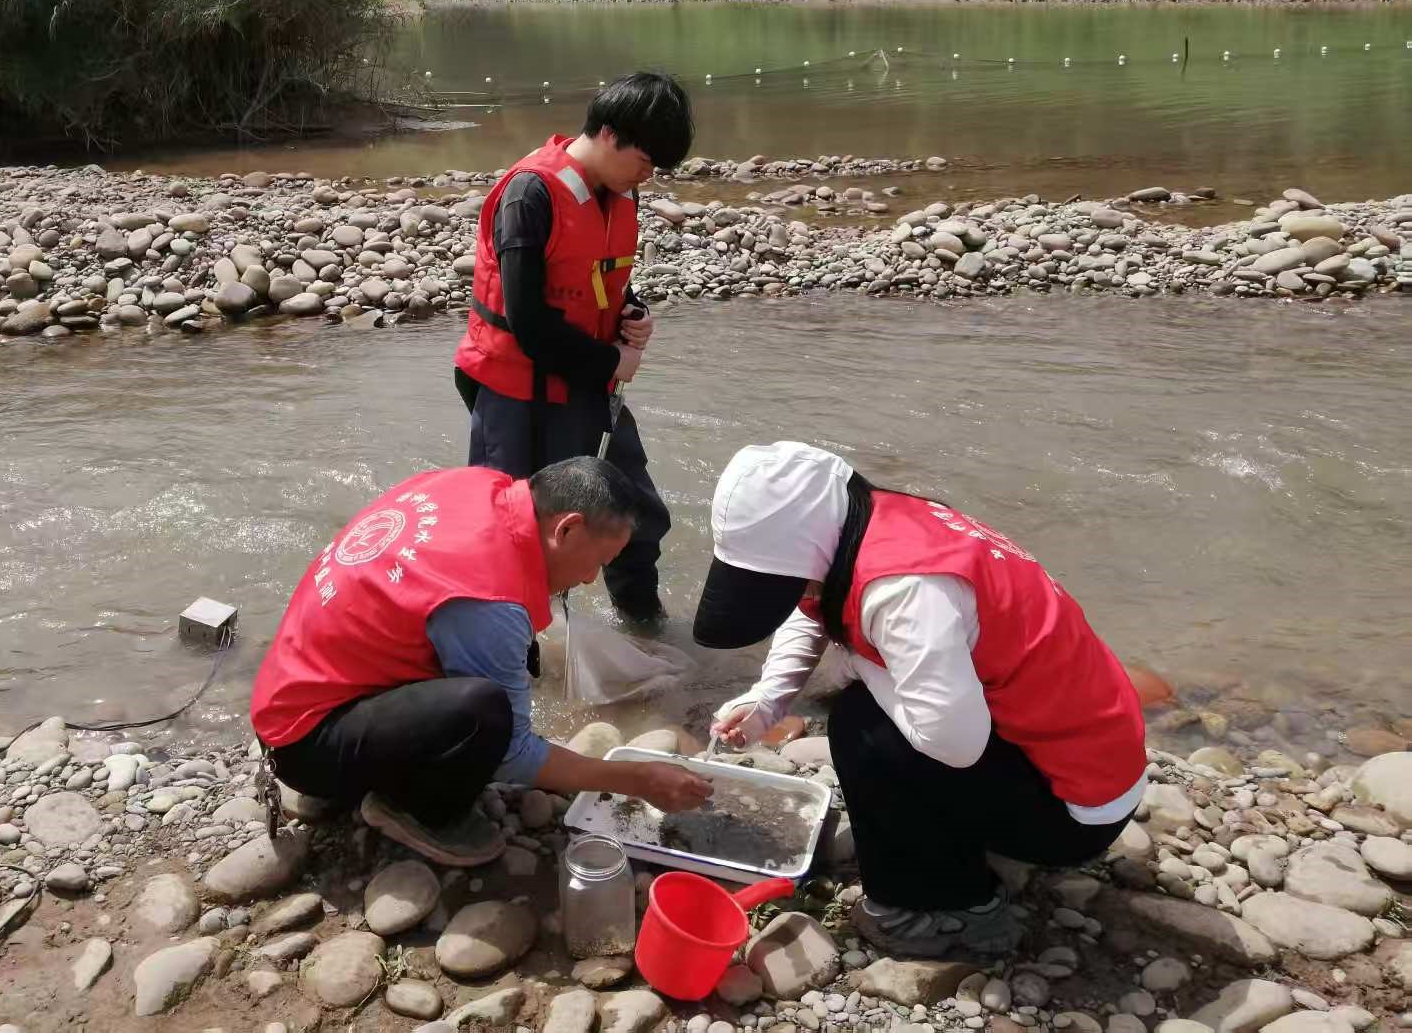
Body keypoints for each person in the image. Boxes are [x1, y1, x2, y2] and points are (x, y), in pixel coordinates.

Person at [693, 441, 1148, 959]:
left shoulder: (905, 590)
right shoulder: (873, 521)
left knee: (861, 724)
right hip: (1081, 753)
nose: (794, 593)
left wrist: (855, 662)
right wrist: (769, 698)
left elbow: (955, 745)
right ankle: (959, 842)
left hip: (1077, 809)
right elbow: (811, 605)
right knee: (880, 703)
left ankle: (949, 908)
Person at [251, 456, 711, 867]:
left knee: (495, 681)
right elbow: (513, 753)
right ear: (566, 529)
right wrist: (635, 779)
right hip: (304, 743)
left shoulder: (475, 485)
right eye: (598, 561)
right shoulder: (491, 601)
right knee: (484, 713)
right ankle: (412, 810)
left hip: (290, 689)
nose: (591, 579)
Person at [453, 72, 694, 623]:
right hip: (518, 394)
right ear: (609, 133)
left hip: (587, 385)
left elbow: (599, 279)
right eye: (646, 161)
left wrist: (632, 312)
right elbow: (530, 323)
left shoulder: (619, 191)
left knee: (634, 516)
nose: (648, 176)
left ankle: (644, 629)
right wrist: (614, 360)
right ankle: (511, 649)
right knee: (514, 536)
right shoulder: (530, 195)